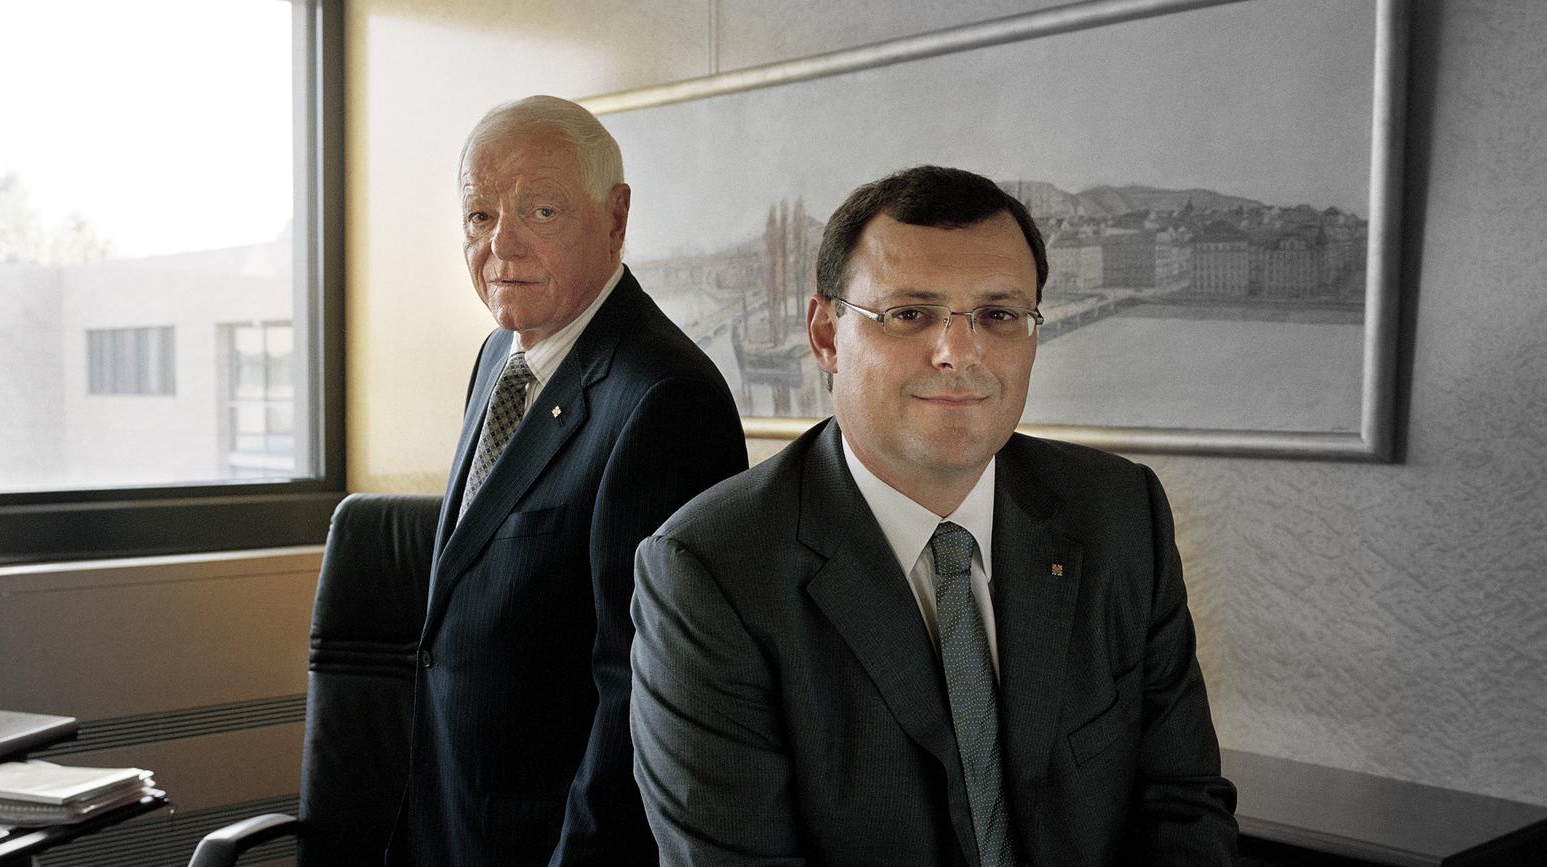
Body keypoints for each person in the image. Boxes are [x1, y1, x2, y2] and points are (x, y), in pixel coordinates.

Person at [630, 165, 1238, 865]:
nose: (959, 351)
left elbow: (1184, 808)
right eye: (910, 313)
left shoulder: (1122, 515)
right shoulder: (709, 572)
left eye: (999, 315)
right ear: (826, 335)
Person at [393, 95, 747, 865]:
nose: (500, 245)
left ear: (616, 219)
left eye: (539, 211)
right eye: (478, 215)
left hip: (555, 841)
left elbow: (642, 696)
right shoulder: (500, 358)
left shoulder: (665, 399)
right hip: (454, 820)